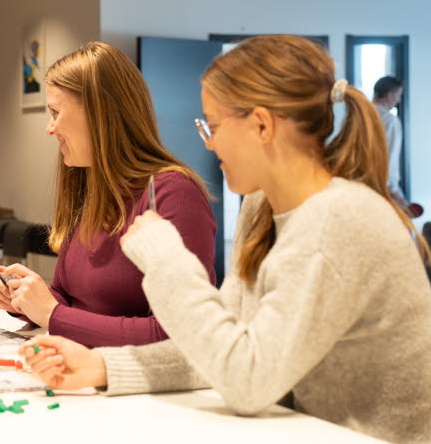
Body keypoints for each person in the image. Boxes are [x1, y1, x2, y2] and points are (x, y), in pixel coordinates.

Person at [21, 35, 431, 443]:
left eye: (214, 126)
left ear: (262, 125)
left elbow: (247, 381)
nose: (209, 142)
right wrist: (101, 367)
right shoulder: (261, 206)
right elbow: (222, 347)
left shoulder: (336, 220)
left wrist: (167, 261)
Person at [0, 41, 217, 348]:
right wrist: (25, 299)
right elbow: (69, 298)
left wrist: (52, 314)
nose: (49, 128)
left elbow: (173, 336)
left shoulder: (173, 193)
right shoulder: (92, 185)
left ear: (100, 114)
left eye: (55, 112)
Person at [372, 76, 407, 207]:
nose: (399, 100)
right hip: (383, 187)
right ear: (389, 95)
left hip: (358, 183)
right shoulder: (390, 121)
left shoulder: (360, 115)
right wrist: (393, 190)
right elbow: (390, 158)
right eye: (398, 95)